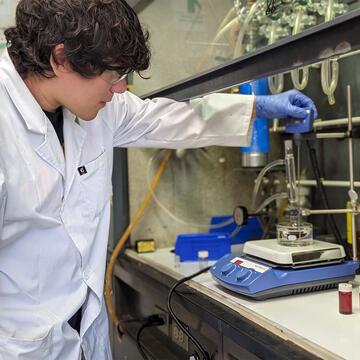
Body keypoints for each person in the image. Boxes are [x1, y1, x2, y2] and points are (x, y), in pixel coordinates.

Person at [0, 0, 317, 359]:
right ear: (61, 59)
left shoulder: (92, 108)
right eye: (114, 75)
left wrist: (260, 107)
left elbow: (168, 118)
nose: (120, 90)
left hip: (83, 335)